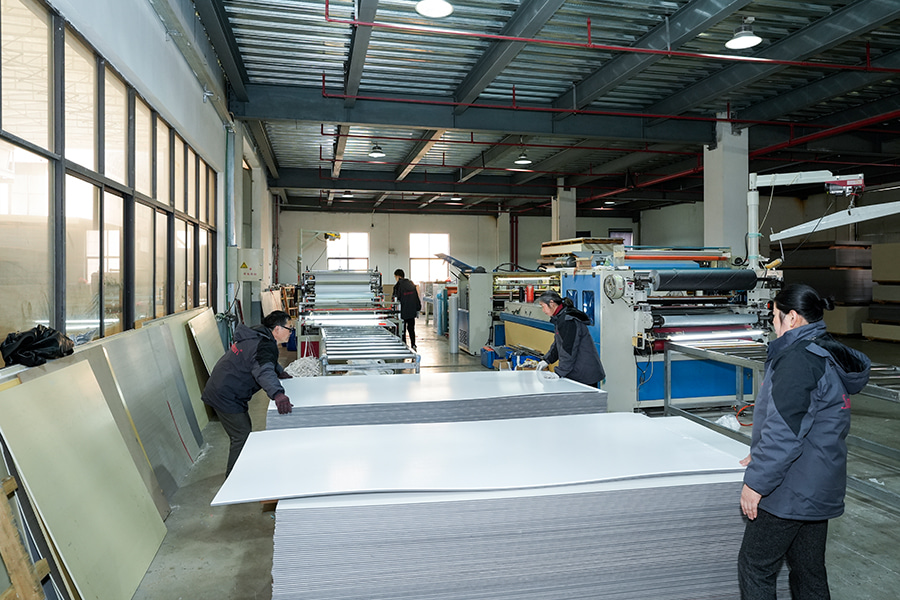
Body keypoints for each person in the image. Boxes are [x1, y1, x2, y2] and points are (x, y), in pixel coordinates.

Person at [738, 283, 870, 600]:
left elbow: (786, 432)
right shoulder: (824, 351)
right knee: (809, 572)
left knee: (755, 567)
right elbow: (806, 421)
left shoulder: (798, 360)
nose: (773, 323)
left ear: (793, 317)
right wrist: (760, 452)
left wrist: (756, 482)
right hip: (819, 482)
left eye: (775, 316)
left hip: (791, 489)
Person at [201, 310, 295, 476]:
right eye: (289, 328)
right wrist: (278, 394)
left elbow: (263, 360)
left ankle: (239, 472)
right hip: (225, 393)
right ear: (277, 329)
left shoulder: (259, 337)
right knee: (241, 435)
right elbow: (263, 370)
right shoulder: (264, 344)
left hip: (225, 386)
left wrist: (279, 371)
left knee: (243, 432)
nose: (291, 332)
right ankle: (234, 479)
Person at [536, 290, 605, 388]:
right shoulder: (560, 317)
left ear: (552, 303)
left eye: (543, 306)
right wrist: (547, 360)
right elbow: (558, 343)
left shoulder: (568, 320)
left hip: (584, 374)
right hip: (576, 371)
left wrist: (560, 372)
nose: (543, 310)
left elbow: (569, 349)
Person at [393, 268, 422, 350]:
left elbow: (395, 299)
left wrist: (394, 310)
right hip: (412, 311)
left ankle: (404, 346)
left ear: (398, 276)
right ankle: (413, 344)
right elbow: (416, 297)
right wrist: (418, 308)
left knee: (402, 330)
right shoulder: (411, 284)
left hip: (402, 312)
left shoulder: (398, 286)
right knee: (411, 329)